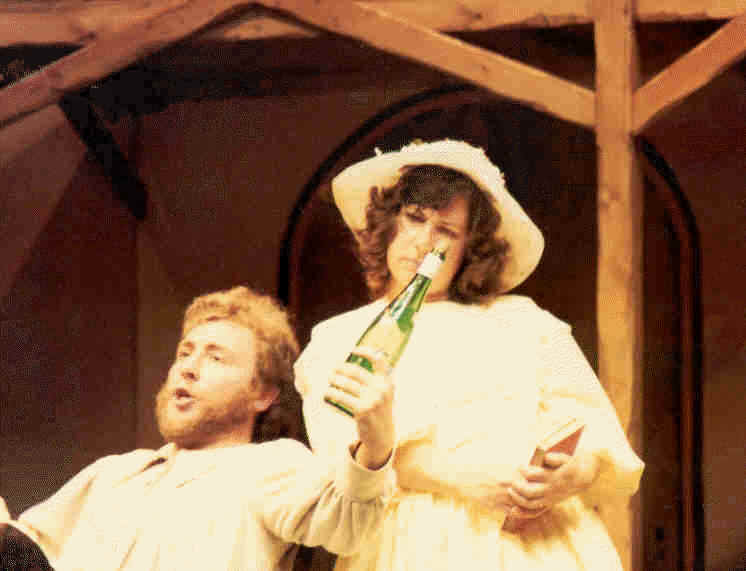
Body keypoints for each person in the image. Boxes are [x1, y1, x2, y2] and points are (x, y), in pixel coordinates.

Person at [294, 140, 644, 570]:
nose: (424, 242)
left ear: (470, 248)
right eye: (414, 218)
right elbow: (343, 458)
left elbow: (595, 430)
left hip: (538, 547)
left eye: (446, 231)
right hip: (410, 546)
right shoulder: (338, 338)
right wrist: (465, 480)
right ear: (388, 223)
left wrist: (572, 474)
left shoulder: (529, 322)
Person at [0, 286, 395, 571]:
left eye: (215, 358)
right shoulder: (113, 474)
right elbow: (26, 551)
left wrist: (375, 441)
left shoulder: (272, 466)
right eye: (184, 353)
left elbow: (348, 523)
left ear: (262, 394)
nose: (188, 368)